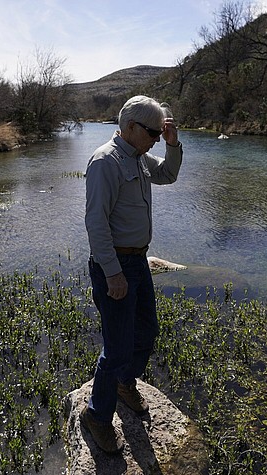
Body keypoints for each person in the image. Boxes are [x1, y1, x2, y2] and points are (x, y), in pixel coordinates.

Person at [80, 95, 182, 453]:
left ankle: (124, 384)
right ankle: (97, 416)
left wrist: (172, 145)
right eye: (153, 131)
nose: (156, 137)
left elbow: (168, 175)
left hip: (138, 262)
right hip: (117, 267)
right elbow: (96, 224)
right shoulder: (105, 162)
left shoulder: (139, 157)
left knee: (146, 332)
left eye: (160, 132)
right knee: (118, 346)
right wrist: (112, 274)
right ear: (131, 128)